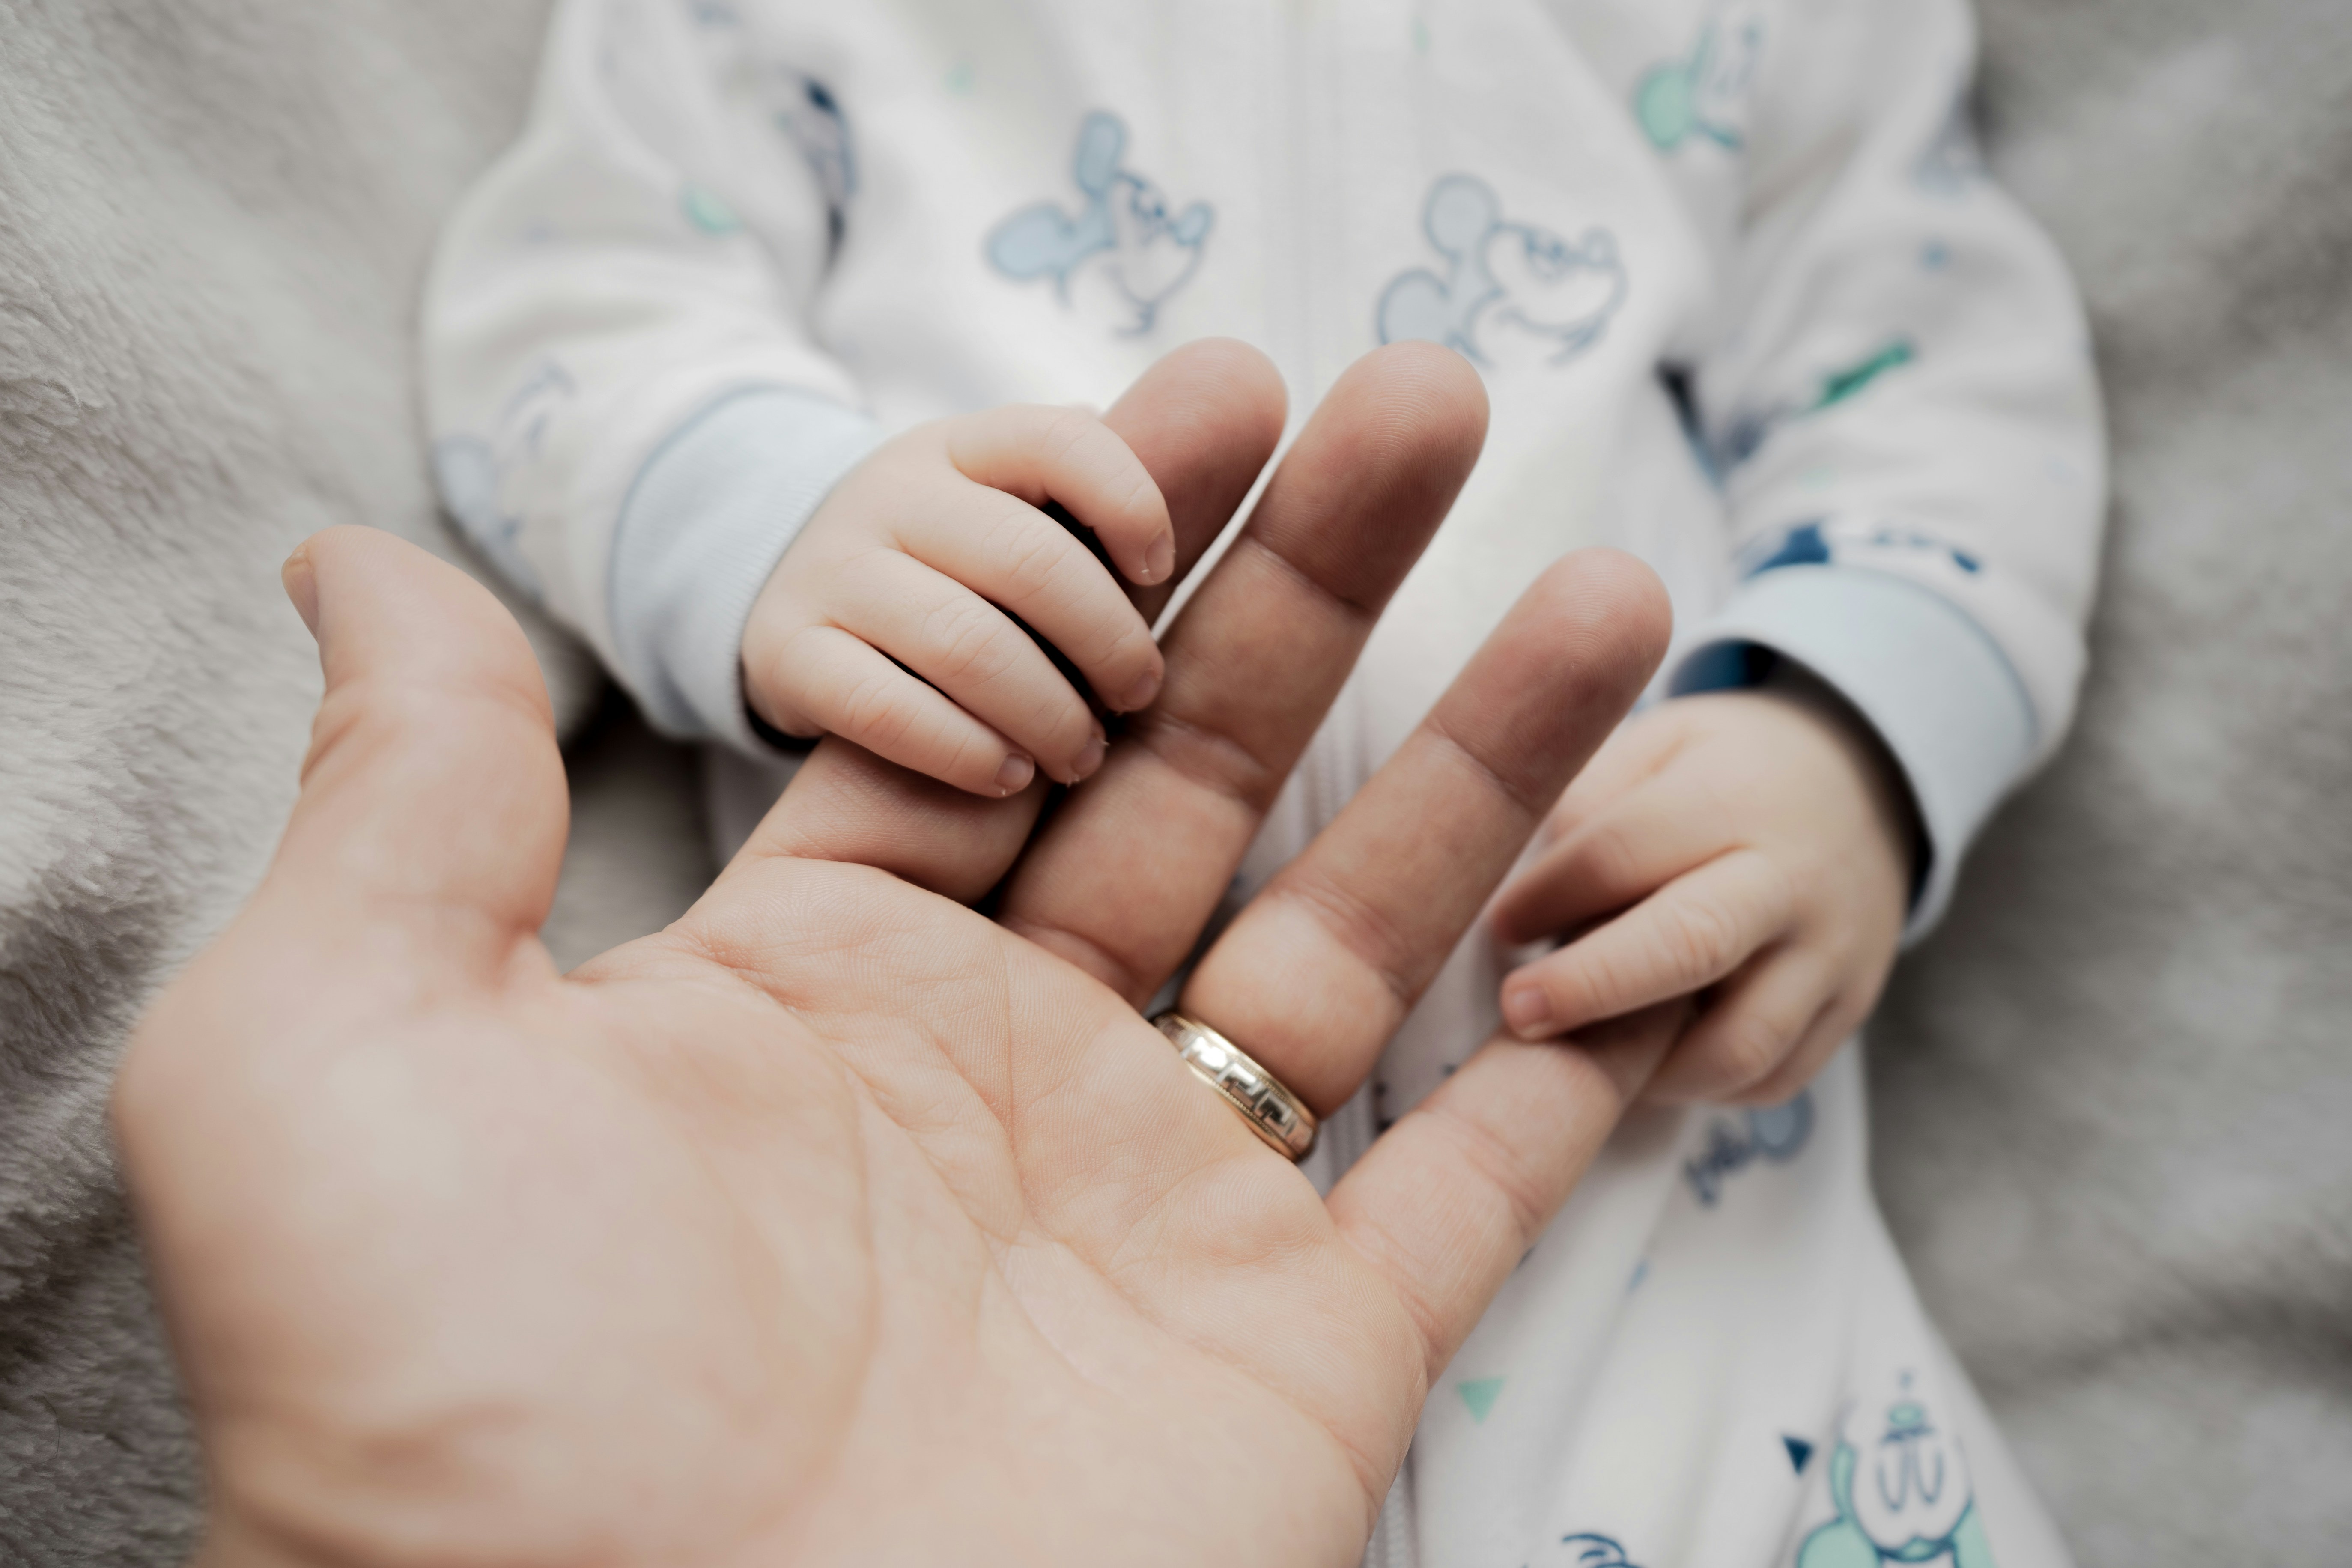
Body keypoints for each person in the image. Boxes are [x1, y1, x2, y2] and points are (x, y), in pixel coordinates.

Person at [420, 3, 2103, 1561]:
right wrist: (781, 518)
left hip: (1654, 1195)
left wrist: (1848, 728)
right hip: (972, 1222)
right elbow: (582, 300)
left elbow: (1936, 374)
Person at [118, 349, 1680, 1565]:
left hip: (1590, 1199)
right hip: (947, 1002)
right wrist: (773, 520)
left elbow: (1851, 369)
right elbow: (560, 319)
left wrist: (1806, 710)